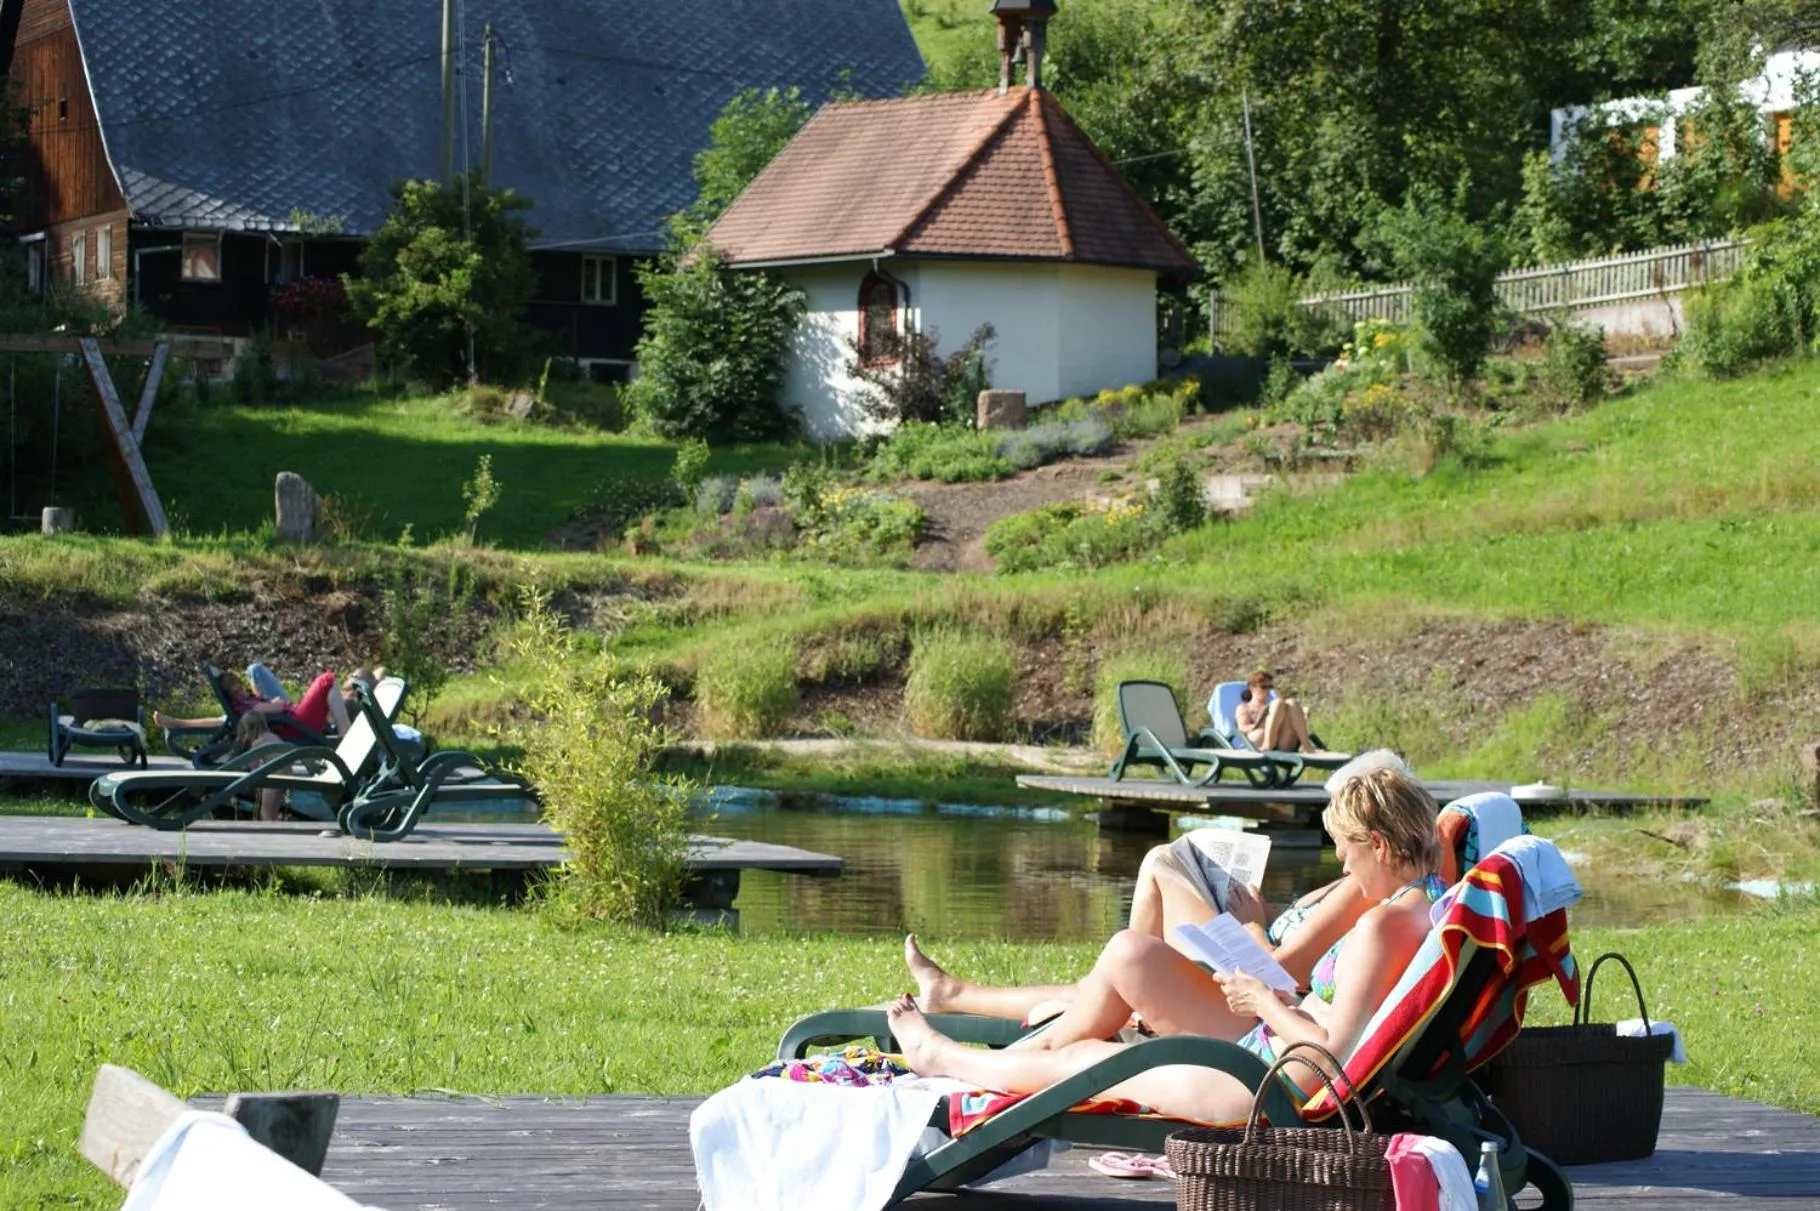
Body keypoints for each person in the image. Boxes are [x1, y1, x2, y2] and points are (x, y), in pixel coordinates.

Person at [886, 763, 1445, 1124]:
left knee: (1087, 1059)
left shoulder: (1381, 926)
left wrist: (1266, 1001)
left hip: (1266, 1084)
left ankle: (940, 1057)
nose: (1342, 862)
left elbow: (1332, 1059)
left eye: (1346, 848)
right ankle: (961, 1051)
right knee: (1089, 1050)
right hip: (1273, 1060)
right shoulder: (1425, 902)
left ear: (1377, 842)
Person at [1235, 668, 1324, 754]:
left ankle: (1306, 746)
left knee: (1292, 702)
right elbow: (1243, 727)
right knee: (1278, 703)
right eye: (1263, 687)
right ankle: (1268, 744)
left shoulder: (1274, 708)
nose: (1267, 690)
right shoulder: (1245, 707)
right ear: (1252, 687)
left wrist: (1301, 718)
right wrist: (1265, 723)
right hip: (1259, 740)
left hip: (1282, 742)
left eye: (1270, 687)